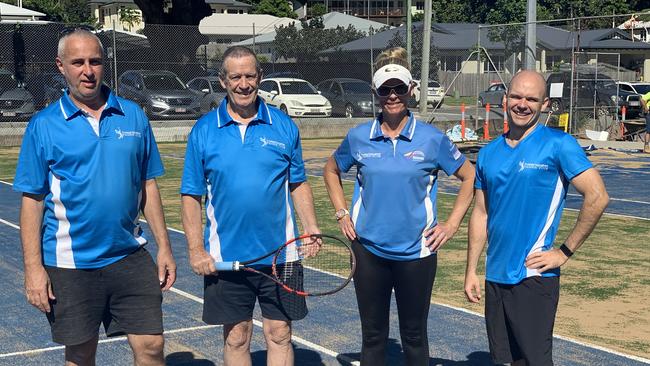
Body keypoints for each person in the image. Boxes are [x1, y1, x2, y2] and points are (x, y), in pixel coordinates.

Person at [13, 28, 176, 366]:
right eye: (78, 62)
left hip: (128, 256)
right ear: (61, 66)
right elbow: (33, 200)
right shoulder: (43, 125)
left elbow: (148, 185)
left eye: (95, 61)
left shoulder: (133, 116)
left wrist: (165, 248)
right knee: (81, 354)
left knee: (151, 347)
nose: (87, 71)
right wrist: (33, 270)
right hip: (70, 264)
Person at [323, 47, 475, 365]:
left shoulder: (432, 139)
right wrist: (341, 212)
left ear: (410, 90)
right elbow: (331, 170)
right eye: (385, 90)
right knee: (373, 336)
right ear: (376, 92)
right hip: (368, 252)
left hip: (416, 255)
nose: (392, 96)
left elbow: (469, 175)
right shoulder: (359, 137)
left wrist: (452, 224)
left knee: (415, 337)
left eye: (399, 89)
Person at [180, 45, 320, 366]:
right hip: (226, 257)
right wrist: (194, 250)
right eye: (235, 77)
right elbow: (191, 195)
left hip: (281, 255)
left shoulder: (284, 126)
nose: (243, 84)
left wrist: (311, 227)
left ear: (260, 76)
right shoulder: (203, 130)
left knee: (280, 333)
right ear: (222, 81)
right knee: (237, 335)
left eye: (249, 75)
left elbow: (297, 183)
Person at [464, 70, 609, 366]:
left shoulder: (559, 144)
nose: (522, 104)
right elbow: (481, 212)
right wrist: (471, 270)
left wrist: (564, 252)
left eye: (532, 99)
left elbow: (598, 197)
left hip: (533, 276)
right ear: (505, 100)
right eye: (516, 96)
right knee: (504, 360)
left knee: (535, 361)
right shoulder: (489, 152)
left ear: (545, 105)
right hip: (495, 275)